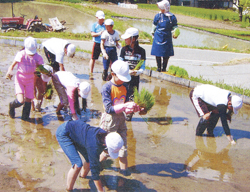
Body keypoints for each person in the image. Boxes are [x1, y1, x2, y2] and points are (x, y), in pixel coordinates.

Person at [99, 60, 142, 176]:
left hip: (121, 119)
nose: (123, 80)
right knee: (108, 147)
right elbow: (108, 109)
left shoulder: (125, 86)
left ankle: (124, 171)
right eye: (121, 77)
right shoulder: (107, 87)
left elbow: (126, 105)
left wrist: (134, 108)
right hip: (109, 120)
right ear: (113, 74)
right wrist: (124, 106)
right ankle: (96, 165)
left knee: (123, 145)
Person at [56, 120, 124, 191]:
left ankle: (82, 177)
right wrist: (100, 190)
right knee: (77, 164)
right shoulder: (94, 147)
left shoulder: (104, 135)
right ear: (105, 145)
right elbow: (94, 173)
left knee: (89, 159)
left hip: (77, 133)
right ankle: (69, 189)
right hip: (64, 133)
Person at [5, 36, 44, 121]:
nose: (31, 54)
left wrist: (44, 72)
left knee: (28, 100)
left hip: (30, 80)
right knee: (21, 100)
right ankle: (11, 106)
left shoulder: (38, 57)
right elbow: (12, 66)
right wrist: (10, 71)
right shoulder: (21, 54)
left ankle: (25, 119)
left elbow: (41, 69)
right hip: (20, 80)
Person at [119, 27, 146, 121]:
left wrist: (137, 72)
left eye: (127, 38)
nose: (125, 40)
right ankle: (121, 112)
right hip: (124, 77)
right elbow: (120, 64)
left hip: (134, 79)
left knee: (132, 96)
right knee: (123, 95)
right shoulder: (123, 50)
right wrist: (127, 71)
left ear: (133, 39)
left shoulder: (142, 51)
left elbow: (143, 66)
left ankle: (129, 115)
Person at [151, 0, 178, 72]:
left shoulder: (172, 17)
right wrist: (152, 32)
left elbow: (175, 26)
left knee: (166, 54)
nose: (160, 9)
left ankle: (164, 68)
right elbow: (154, 25)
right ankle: (159, 67)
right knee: (157, 53)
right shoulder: (158, 16)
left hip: (167, 36)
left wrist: (175, 33)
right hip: (158, 36)